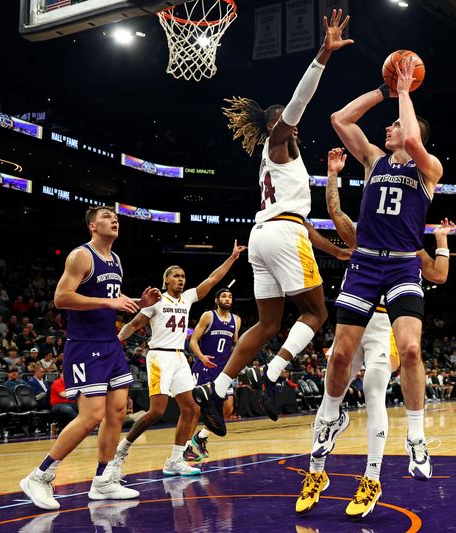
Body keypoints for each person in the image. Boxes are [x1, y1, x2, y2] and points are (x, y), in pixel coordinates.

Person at [192, 8, 353, 437]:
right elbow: (299, 101)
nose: (293, 126)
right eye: (284, 120)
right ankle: (272, 374)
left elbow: (297, 221)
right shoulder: (278, 141)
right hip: (281, 234)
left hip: (266, 233)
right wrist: (323, 54)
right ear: (273, 125)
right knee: (317, 312)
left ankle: (218, 387)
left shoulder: (278, 164)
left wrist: (336, 250)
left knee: (267, 323)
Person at [295, 148, 453, 520]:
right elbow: (335, 212)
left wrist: (442, 242)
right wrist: (333, 173)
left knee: (374, 392)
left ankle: (372, 478)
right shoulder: (361, 236)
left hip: (384, 326)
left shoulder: (408, 246)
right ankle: (316, 474)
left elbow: (438, 275)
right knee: (330, 387)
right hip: (356, 318)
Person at [315, 54, 445, 482]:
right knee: (340, 357)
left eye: (395, 122)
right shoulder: (373, 160)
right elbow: (340, 119)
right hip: (366, 265)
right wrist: (385, 90)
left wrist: (407, 93)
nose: (388, 127)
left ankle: (416, 435)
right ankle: (331, 416)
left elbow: (410, 139)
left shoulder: (429, 170)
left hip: (404, 267)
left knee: (410, 350)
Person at [20, 205, 161, 510]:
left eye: (117, 218)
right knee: (92, 415)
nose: (115, 221)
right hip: (84, 346)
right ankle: (40, 475)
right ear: (92, 226)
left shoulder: (117, 260)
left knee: (118, 412)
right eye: (108, 217)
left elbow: (109, 302)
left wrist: (139, 302)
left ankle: (103, 480)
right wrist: (110, 302)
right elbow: (62, 297)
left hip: (109, 344)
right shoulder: (81, 255)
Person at [111, 242, 245, 477]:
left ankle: (174, 461)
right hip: (159, 356)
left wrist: (232, 258)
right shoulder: (156, 302)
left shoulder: (188, 298)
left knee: (192, 409)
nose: (181, 279)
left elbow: (212, 279)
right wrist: (115, 343)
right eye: (176, 276)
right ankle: (121, 451)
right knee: (156, 412)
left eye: (183, 276)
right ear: (167, 281)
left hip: (180, 357)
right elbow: (134, 325)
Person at [186, 287, 241, 461]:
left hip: (223, 370)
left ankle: (200, 437)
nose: (227, 299)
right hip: (204, 367)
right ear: (216, 300)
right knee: (194, 409)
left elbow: (236, 344)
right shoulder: (208, 316)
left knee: (227, 409)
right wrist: (201, 357)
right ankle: (186, 447)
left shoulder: (236, 320)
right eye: (224, 296)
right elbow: (193, 340)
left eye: (230, 296)